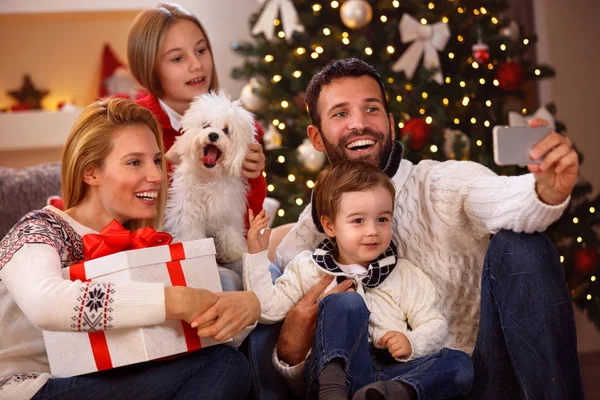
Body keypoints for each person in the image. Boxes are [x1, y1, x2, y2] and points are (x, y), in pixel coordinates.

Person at [272, 58, 585, 399]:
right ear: (317, 137)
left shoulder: (441, 182)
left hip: (472, 375)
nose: (360, 124)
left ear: (390, 123)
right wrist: (289, 349)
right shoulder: (309, 234)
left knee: (522, 245)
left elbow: (500, 198)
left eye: (371, 109)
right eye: (340, 113)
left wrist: (544, 192)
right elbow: (296, 360)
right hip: (373, 385)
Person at [0, 98, 260, 400]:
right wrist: (174, 299)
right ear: (91, 172)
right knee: (223, 365)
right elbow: (46, 303)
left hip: (104, 379)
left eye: (157, 161)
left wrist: (250, 307)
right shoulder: (39, 229)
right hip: (28, 388)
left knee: (228, 365)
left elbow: (181, 336)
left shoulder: (145, 240)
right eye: (135, 162)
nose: (156, 176)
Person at [245, 161, 474, 400]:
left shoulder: (404, 274)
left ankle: (393, 393)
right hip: (327, 378)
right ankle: (333, 391)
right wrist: (256, 255)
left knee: (460, 363)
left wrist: (411, 342)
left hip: (387, 374)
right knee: (346, 302)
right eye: (358, 221)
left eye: (382, 219)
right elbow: (267, 309)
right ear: (329, 225)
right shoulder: (308, 268)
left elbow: (434, 324)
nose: (372, 231)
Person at [127, 2, 267, 236]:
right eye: (177, 59)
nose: (196, 65)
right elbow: (126, 211)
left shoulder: (240, 127)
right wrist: (165, 163)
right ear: (149, 67)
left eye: (201, 51)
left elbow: (244, 221)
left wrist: (254, 176)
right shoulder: (133, 126)